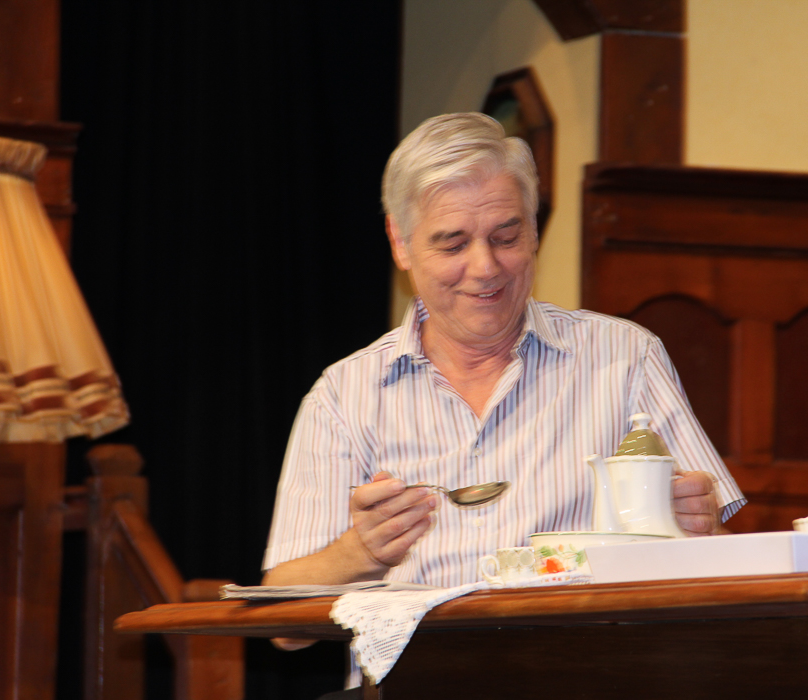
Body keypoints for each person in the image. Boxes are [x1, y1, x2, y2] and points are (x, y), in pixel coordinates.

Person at [262, 112, 745, 591]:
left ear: (533, 230)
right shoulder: (343, 396)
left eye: (505, 238)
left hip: (581, 641)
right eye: (453, 245)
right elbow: (282, 604)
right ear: (400, 243)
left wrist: (696, 529)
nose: (485, 267)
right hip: (421, 646)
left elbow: (725, 565)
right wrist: (362, 552)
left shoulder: (624, 358)